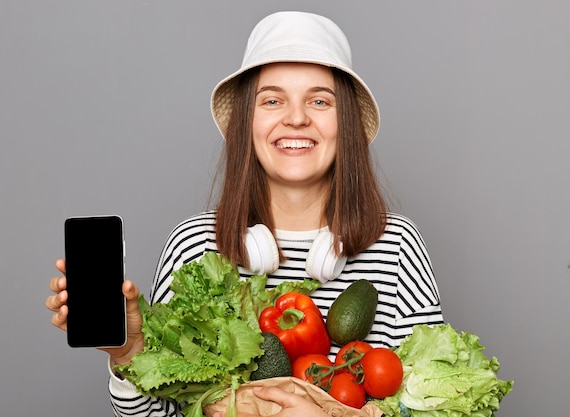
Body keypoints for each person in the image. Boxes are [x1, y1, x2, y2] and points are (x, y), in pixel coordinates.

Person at [46, 11, 443, 417]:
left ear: (346, 124)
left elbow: (440, 405)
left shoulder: (396, 245)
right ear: (246, 123)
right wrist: (130, 353)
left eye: (320, 100)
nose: (296, 117)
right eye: (272, 100)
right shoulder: (193, 244)